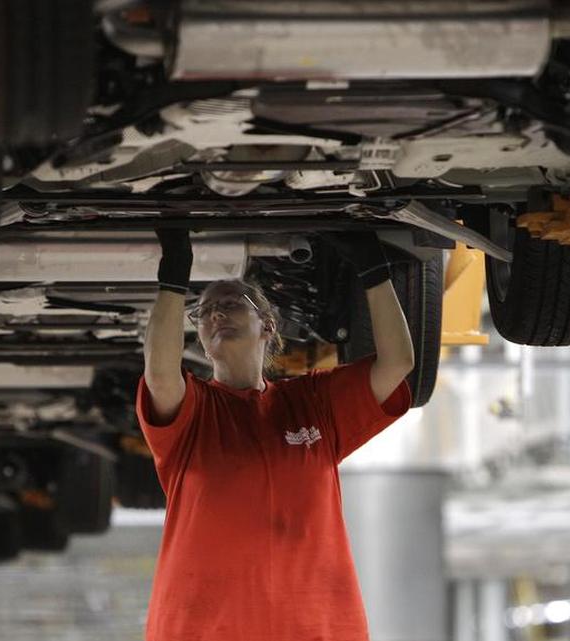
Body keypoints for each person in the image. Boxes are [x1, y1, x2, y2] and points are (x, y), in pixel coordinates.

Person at [138, 228, 415, 641]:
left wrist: (374, 270)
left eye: (231, 303)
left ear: (267, 325)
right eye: (206, 310)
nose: (215, 313)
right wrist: (173, 277)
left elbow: (397, 364)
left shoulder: (313, 404)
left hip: (313, 626)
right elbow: (160, 374)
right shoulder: (194, 412)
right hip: (204, 628)